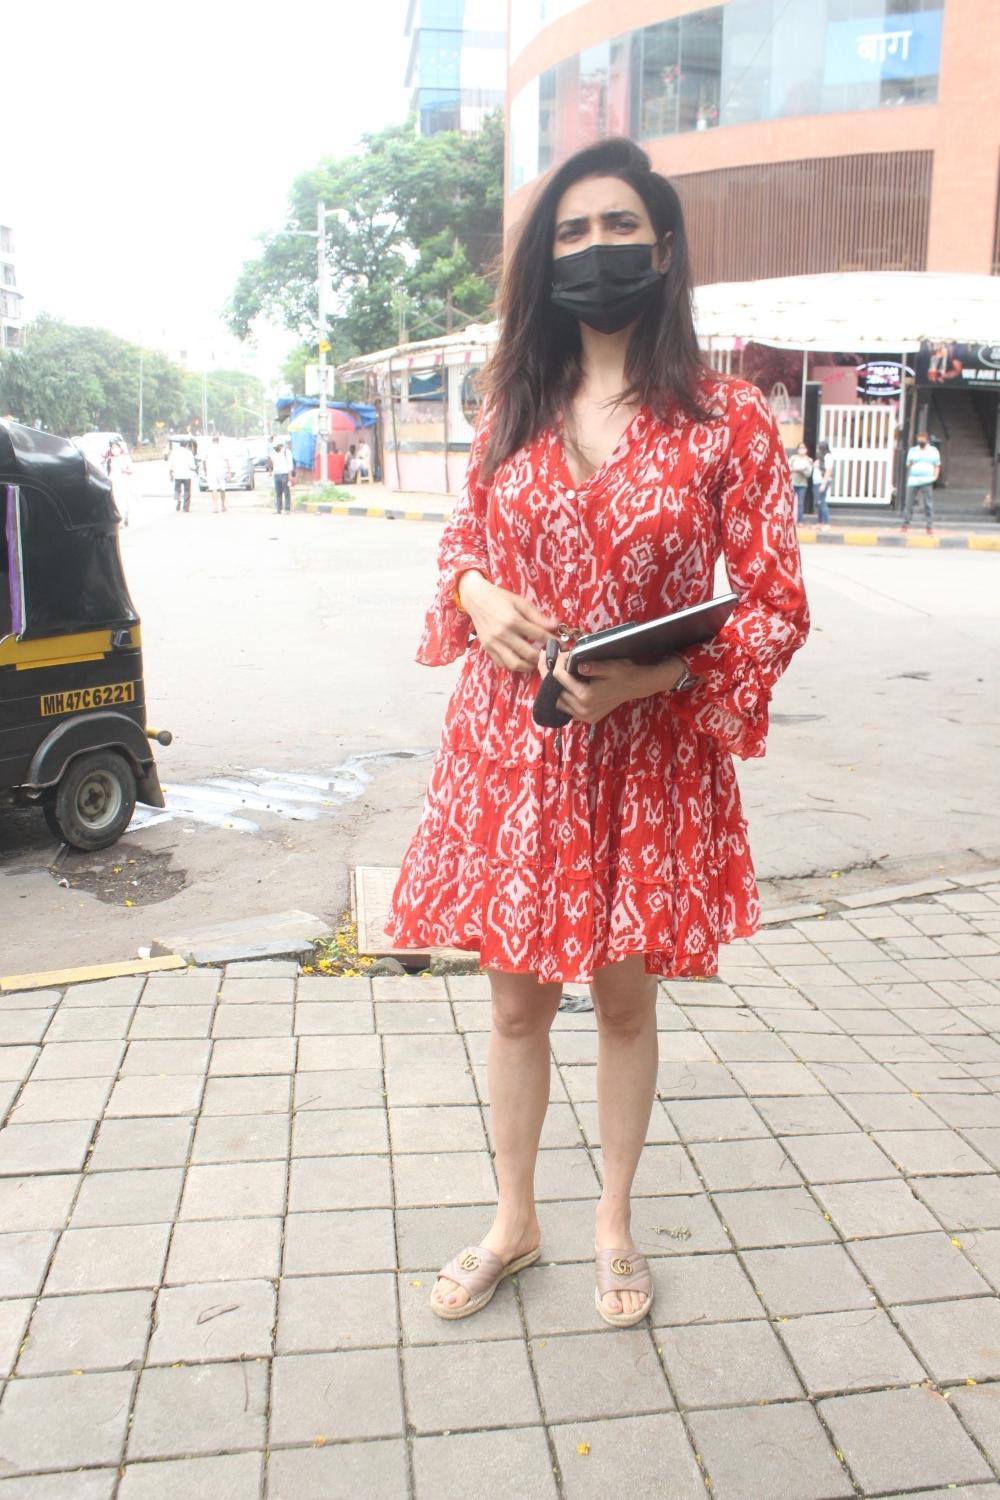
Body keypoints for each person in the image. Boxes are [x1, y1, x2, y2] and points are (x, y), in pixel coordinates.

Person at [385, 138, 809, 1329]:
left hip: (645, 745)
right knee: (514, 1005)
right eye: (570, 234)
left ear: (662, 247)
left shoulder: (726, 419)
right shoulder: (508, 400)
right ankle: (512, 1220)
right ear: (545, 258)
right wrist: (477, 598)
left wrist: (650, 678)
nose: (594, 251)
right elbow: (457, 548)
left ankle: (612, 1220)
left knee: (624, 1002)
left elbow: (774, 606)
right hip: (511, 752)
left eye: (618, 227)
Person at [903, 429, 940, 533]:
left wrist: (935, 476)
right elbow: (908, 465)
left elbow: (937, 465)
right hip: (913, 480)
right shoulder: (913, 451)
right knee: (909, 503)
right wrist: (910, 464)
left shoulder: (933, 451)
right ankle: (905, 523)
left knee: (928, 503)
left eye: (922, 439)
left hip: (927, 480)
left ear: (927, 440)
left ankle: (929, 526)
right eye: (919, 439)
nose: (921, 441)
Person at [107, 439, 133, 528]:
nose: (115, 449)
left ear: (120, 448)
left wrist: (125, 470)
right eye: (113, 448)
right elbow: (107, 472)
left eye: (116, 447)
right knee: (116, 502)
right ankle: (120, 522)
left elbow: (131, 470)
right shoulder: (110, 460)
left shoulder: (125, 458)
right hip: (114, 483)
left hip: (124, 482)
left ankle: (126, 517)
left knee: (125, 502)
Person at [168, 439, 197, 512]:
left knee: (177, 490)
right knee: (187, 491)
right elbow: (192, 466)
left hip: (177, 474)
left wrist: (170, 474)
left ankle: (178, 501)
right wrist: (194, 468)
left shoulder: (174, 453)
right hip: (186, 475)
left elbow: (170, 465)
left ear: (180, 445)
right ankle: (186, 507)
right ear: (186, 445)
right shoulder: (189, 453)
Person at [789, 442, 813, 523]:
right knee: (790, 502)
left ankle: (800, 520)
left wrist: (803, 471)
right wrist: (795, 469)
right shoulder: (793, 458)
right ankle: (790, 520)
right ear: (797, 449)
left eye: (804, 448)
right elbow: (788, 468)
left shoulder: (809, 460)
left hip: (802, 484)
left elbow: (809, 474)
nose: (802, 450)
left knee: (800, 503)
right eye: (800, 448)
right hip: (792, 483)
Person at [812, 439, 833, 529]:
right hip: (817, 481)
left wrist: (823, 484)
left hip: (822, 481)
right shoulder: (820, 458)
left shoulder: (828, 456)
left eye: (818, 448)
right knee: (819, 502)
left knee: (822, 502)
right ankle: (820, 522)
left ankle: (826, 523)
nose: (817, 449)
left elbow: (828, 471)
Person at [205, 435, 228, 514]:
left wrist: (205, 470)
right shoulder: (222, 448)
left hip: (211, 470)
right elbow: (227, 460)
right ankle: (223, 505)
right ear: (218, 441)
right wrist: (229, 471)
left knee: (213, 488)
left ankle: (215, 507)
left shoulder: (208, 448)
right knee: (222, 488)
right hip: (221, 470)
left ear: (212, 441)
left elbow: (204, 460)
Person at [269, 438, 293, 512]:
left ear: (280, 446)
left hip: (285, 474)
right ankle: (278, 509)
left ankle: (287, 509)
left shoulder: (287, 452)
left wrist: (290, 476)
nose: (275, 449)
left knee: (286, 492)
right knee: (278, 493)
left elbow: (290, 464)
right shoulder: (274, 453)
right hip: (277, 475)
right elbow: (272, 462)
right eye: (274, 448)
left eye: (276, 447)